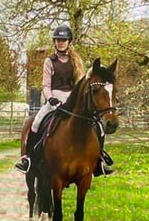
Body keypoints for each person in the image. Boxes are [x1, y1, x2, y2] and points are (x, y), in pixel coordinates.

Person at [14, 24, 113, 176]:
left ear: (69, 42)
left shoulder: (76, 60)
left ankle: (99, 161)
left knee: (98, 126)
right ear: (54, 42)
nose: (61, 42)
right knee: (35, 123)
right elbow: (45, 85)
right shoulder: (50, 61)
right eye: (58, 40)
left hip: (72, 98)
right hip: (54, 97)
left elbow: (80, 82)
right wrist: (51, 98)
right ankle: (28, 159)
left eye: (64, 40)